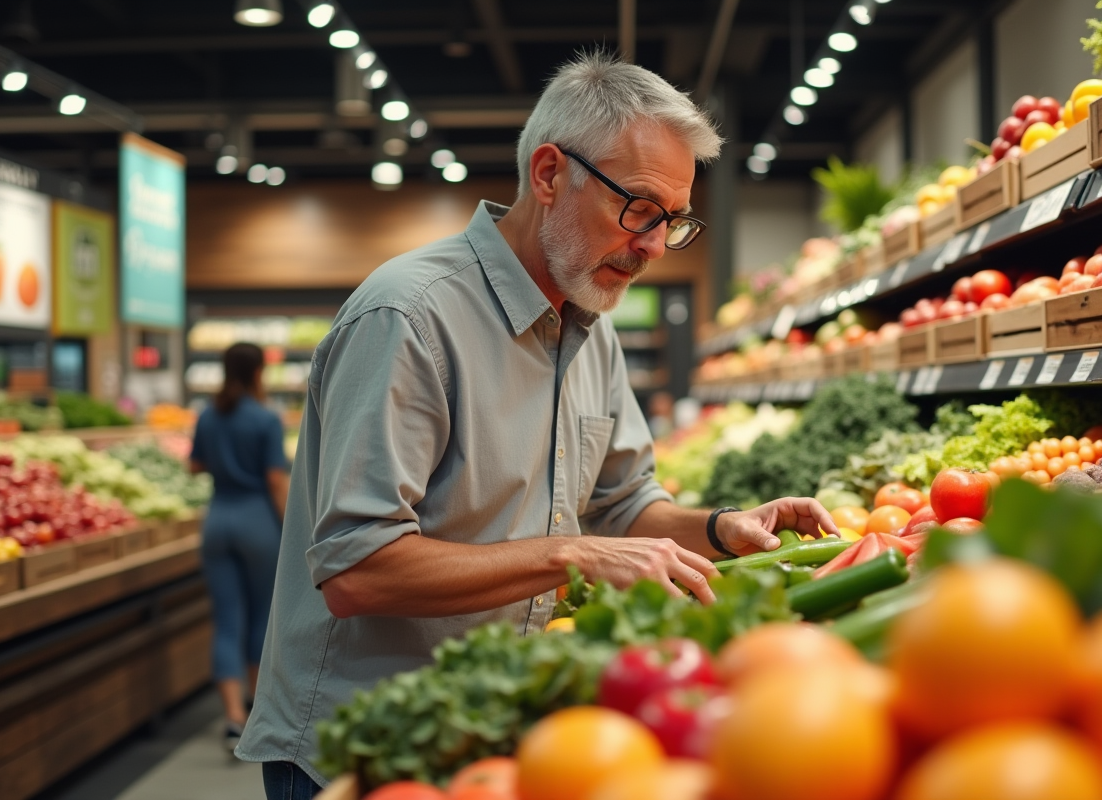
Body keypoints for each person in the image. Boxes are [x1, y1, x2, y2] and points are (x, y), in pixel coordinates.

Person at [237, 52, 837, 798]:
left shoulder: (593, 325)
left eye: (672, 222)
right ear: (550, 175)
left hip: (494, 730)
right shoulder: (410, 317)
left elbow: (622, 506)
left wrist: (719, 528)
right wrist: (568, 556)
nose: (653, 245)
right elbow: (357, 569)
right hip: (361, 750)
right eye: (639, 208)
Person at [190, 342, 290, 752]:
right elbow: (275, 481)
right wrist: (292, 528)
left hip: (217, 520)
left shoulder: (208, 416)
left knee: (227, 619)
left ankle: (232, 714)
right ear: (258, 372)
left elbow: (194, 466)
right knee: (262, 617)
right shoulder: (266, 419)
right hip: (257, 523)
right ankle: (258, 709)